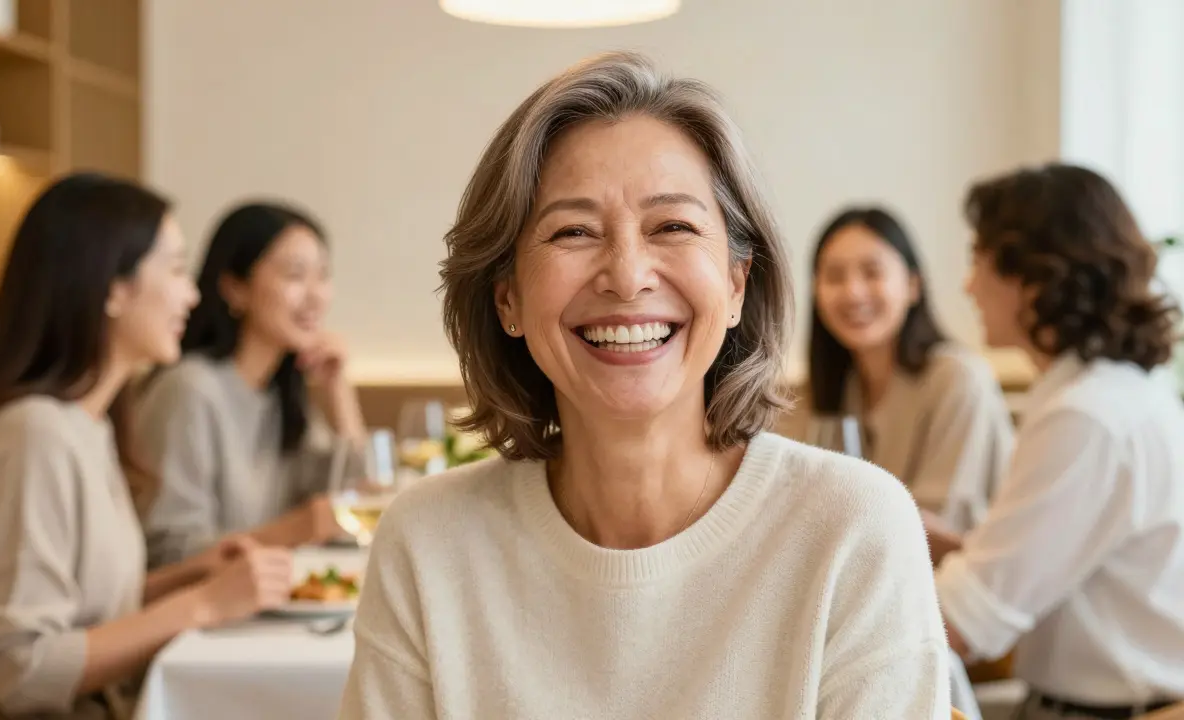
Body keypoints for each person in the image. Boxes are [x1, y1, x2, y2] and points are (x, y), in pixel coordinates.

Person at [336, 51, 949, 719]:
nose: (627, 278)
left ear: (737, 284)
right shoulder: (427, 544)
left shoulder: (852, 528)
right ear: (507, 296)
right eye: (573, 231)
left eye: (673, 227)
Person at [0, 174, 294, 719]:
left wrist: (192, 574)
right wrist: (201, 605)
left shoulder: (86, 427)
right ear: (113, 287)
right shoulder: (34, 439)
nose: (193, 294)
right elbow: (21, 669)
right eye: (177, 270)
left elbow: (80, 614)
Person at [932, 164, 1184, 719]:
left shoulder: (1085, 418)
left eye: (979, 259)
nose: (968, 284)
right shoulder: (1117, 392)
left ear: (1036, 276)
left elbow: (967, 621)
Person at [136, 202, 366, 568]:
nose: (316, 295)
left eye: (322, 275)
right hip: (201, 620)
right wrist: (293, 530)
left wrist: (339, 391)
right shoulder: (189, 390)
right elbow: (166, 553)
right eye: (295, 275)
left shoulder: (281, 390)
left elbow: (355, 500)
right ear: (234, 288)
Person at [796, 206, 1014, 533]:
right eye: (835, 276)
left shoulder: (957, 379)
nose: (853, 292)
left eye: (872, 273)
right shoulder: (823, 389)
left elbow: (944, 526)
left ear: (913, 285)